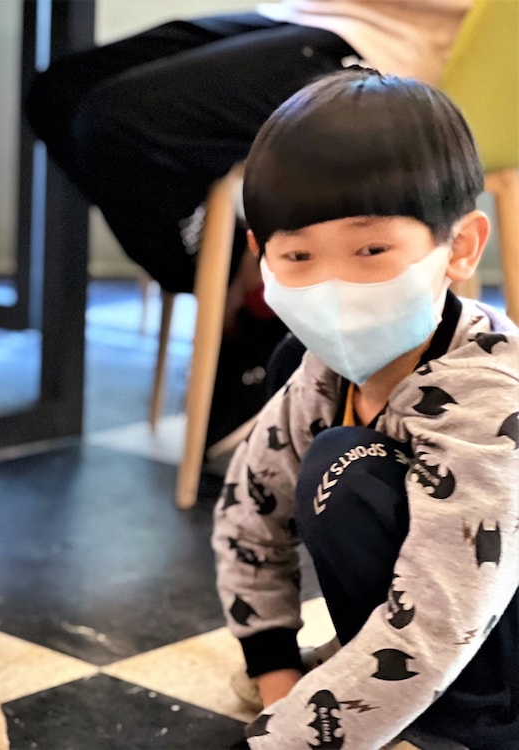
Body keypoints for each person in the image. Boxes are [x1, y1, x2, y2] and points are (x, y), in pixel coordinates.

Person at [212, 69, 518, 749]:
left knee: (344, 467)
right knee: (316, 422)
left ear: (461, 247)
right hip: (435, 639)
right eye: (298, 255)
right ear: (261, 256)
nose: (332, 285)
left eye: (371, 249)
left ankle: (468, 726)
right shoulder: (318, 371)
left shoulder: (490, 394)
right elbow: (249, 516)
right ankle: (385, 694)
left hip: (490, 649)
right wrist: (277, 679)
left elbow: (444, 616)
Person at [24, 0, 472, 446]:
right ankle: (248, 292)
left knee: (120, 122)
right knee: (59, 94)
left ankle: (249, 308)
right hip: (306, 14)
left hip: (401, 42)